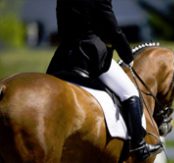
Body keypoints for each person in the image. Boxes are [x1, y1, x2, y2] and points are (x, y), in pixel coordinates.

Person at [46, 0, 162, 160]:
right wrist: (127, 55)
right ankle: (139, 146)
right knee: (130, 93)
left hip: (62, 58)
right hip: (89, 55)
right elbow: (112, 29)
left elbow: (62, 28)